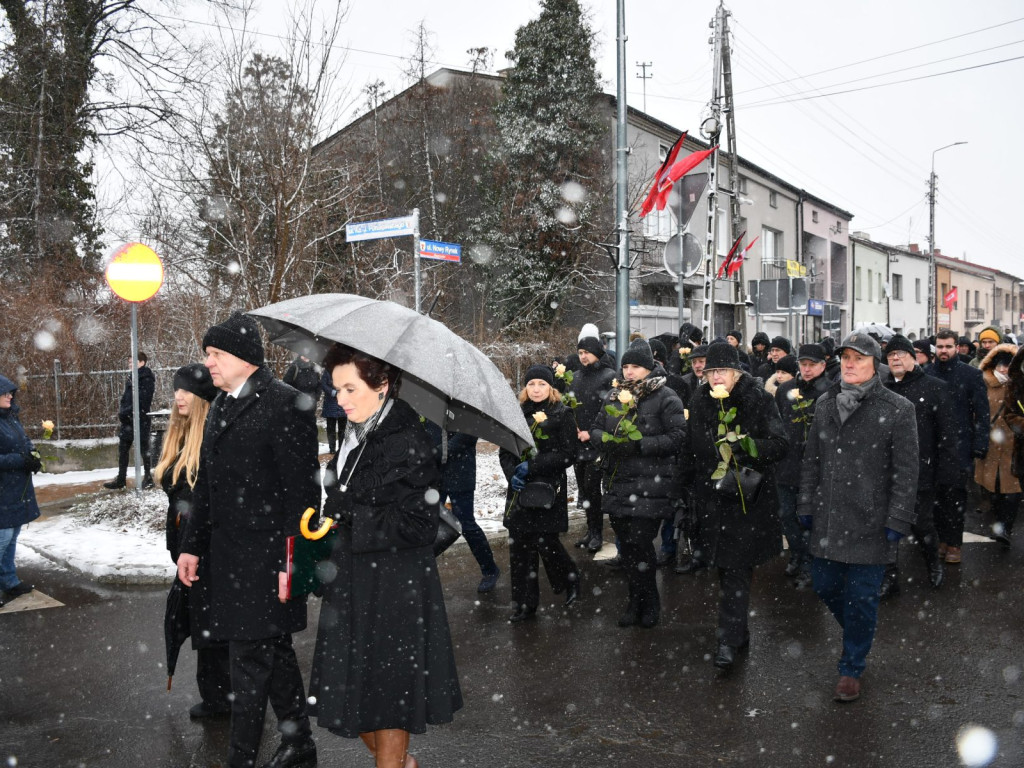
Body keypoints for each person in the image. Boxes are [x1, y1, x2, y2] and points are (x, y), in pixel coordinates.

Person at [177, 312, 321, 768]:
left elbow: (303, 494)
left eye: (215, 354)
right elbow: (208, 487)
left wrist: (291, 562)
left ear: (244, 358)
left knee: (249, 660)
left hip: (267, 561)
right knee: (272, 651)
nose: (209, 364)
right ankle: (299, 742)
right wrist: (191, 545)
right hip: (229, 559)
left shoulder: (287, 404)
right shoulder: (221, 404)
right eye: (208, 354)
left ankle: (241, 758)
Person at [309, 343, 462, 768]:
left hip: (395, 584)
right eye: (335, 389)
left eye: (349, 389)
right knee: (351, 693)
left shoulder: (407, 441)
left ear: (383, 385)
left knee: (388, 693)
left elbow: (419, 526)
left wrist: (353, 516)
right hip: (354, 579)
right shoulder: (358, 433)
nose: (339, 400)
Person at [798, 332, 919, 703]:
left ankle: (852, 666)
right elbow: (811, 461)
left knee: (862, 598)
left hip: (871, 520)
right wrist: (805, 504)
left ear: (874, 365)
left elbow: (906, 470)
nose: (849, 364)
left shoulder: (897, 408)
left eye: (858, 359)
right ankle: (858, 634)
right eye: (845, 358)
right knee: (824, 585)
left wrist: (897, 518)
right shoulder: (825, 404)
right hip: (829, 517)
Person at [685, 343, 787, 669]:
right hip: (711, 499)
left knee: (735, 569)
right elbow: (690, 450)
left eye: (722, 371)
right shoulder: (699, 402)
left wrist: (745, 446)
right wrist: (682, 492)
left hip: (747, 500)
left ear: (737, 373)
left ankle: (727, 640)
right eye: (710, 371)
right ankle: (738, 631)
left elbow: (780, 444)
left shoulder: (759, 400)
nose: (715, 377)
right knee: (724, 569)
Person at [590, 339, 686, 629]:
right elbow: (595, 428)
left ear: (649, 368)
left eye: (636, 367)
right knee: (628, 550)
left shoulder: (667, 396)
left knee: (641, 544)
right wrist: (607, 442)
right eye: (626, 366)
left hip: (650, 484)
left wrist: (641, 445)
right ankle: (635, 600)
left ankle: (650, 601)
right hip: (618, 482)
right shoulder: (613, 396)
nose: (629, 372)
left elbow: (679, 437)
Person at [155, 363, 231, 719]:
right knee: (202, 624)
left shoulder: (211, 436)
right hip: (188, 548)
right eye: (177, 389)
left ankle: (222, 700)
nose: (178, 397)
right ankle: (219, 698)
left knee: (210, 627)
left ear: (202, 397)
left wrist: (193, 544)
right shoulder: (179, 433)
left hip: (207, 550)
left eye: (185, 390)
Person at [500, 364, 581, 622]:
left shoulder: (562, 414)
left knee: (547, 543)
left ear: (551, 388)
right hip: (520, 492)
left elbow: (569, 454)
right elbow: (505, 450)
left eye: (542, 384)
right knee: (520, 548)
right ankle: (524, 604)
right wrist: (513, 473)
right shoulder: (515, 414)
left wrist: (532, 465)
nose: (536, 389)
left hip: (547, 490)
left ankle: (571, 579)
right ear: (525, 388)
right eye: (531, 384)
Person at [881, 335, 957, 596]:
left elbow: (947, 434)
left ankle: (934, 564)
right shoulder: (882, 389)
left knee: (921, 524)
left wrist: (945, 472)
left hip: (921, 471)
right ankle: (889, 576)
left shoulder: (935, 387)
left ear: (914, 358)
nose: (895, 359)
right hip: (886, 471)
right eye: (891, 355)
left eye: (901, 354)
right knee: (887, 525)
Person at [774, 344, 832, 588]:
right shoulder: (786, 390)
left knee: (809, 518)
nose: (807, 369)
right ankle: (797, 553)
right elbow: (776, 422)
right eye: (803, 364)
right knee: (786, 515)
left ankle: (810, 562)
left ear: (823, 365)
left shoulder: (830, 392)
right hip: (786, 465)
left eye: (812, 365)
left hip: (815, 469)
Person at [930, 329, 989, 565]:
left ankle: (954, 544)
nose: (944, 351)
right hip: (931, 447)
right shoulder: (927, 373)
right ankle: (943, 540)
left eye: (948, 346)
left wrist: (980, 445)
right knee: (935, 499)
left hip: (959, 446)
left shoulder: (971, 375)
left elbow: (982, 414)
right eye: (940, 346)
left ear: (956, 347)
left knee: (955, 498)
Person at [425, 421, 501, 592]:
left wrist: (434, 453)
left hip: (460, 474)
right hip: (434, 474)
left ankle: (490, 569)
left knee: (466, 524)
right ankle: (423, 573)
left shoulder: (467, 409)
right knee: (428, 523)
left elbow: (465, 438)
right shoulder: (432, 401)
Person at [571, 335, 616, 553]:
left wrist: (592, 432)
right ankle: (590, 531)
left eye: (586, 352)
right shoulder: (576, 376)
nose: (583, 356)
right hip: (579, 441)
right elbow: (572, 405)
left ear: (597, 352)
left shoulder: (608, 376)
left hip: (597, 442)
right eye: (580, 353)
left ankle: (598, 533)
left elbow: (609, 410)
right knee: (584, 490)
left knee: (593, 488)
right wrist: (575, 427)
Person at [974, 342, 1021, 546]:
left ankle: (1005, 528)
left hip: (1015, 444)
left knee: (1012, 489)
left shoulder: (1020, 385)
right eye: (1000, 364)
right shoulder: (982, 384)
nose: (1003, 369)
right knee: (992, 488)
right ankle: (997, 523)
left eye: (1007, 364)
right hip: (990, 443)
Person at [0, 375, 41, 606]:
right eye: (5, 392)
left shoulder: (11, 417)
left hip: (16, 489)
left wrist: (32, 456)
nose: (10, 395)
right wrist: (19, 460)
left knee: (12, 534)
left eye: (11, 392)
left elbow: (24, 442)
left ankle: (8, 581)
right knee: (3, 537)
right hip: (3, 490)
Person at [103, 351, 156, 490]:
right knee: (123, 449)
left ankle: (148, 478)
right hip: (128, 421)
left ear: (142, 362)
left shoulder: (146, 377)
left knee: (144, 449)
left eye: (133, 361)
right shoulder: (132, 376)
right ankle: (121, 479)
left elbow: (143, 400)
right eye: (129, 362)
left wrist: (127, 411)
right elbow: (127, 397)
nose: (130, 364)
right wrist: (123, 411)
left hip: (140, 419)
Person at [320, 366, 345, 455]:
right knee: (331, 428)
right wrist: (332, 392)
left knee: (343, 429)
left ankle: (342, 448)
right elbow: (323, 384)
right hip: (330, 404)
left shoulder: (347, 370)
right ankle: (332, 448)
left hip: (343, 404)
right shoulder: (328, 371)